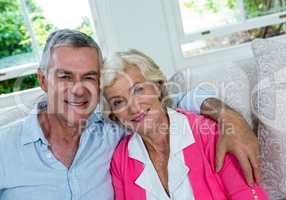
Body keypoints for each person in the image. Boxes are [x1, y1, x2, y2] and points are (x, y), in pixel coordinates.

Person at [0, 29, 259, 200]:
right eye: (65, 76)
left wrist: (229, 118)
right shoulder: (5, 146)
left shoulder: (109, 131)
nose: (78, 89)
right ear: (43, 80)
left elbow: (166, 104)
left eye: (89, 77)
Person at [102, 49, 269, 199]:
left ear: (157, 86)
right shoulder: (120, 160)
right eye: (118, 102)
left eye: (138, 90)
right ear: (113, 113)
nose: (133, 107)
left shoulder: (209, 133)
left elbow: (246, 194)